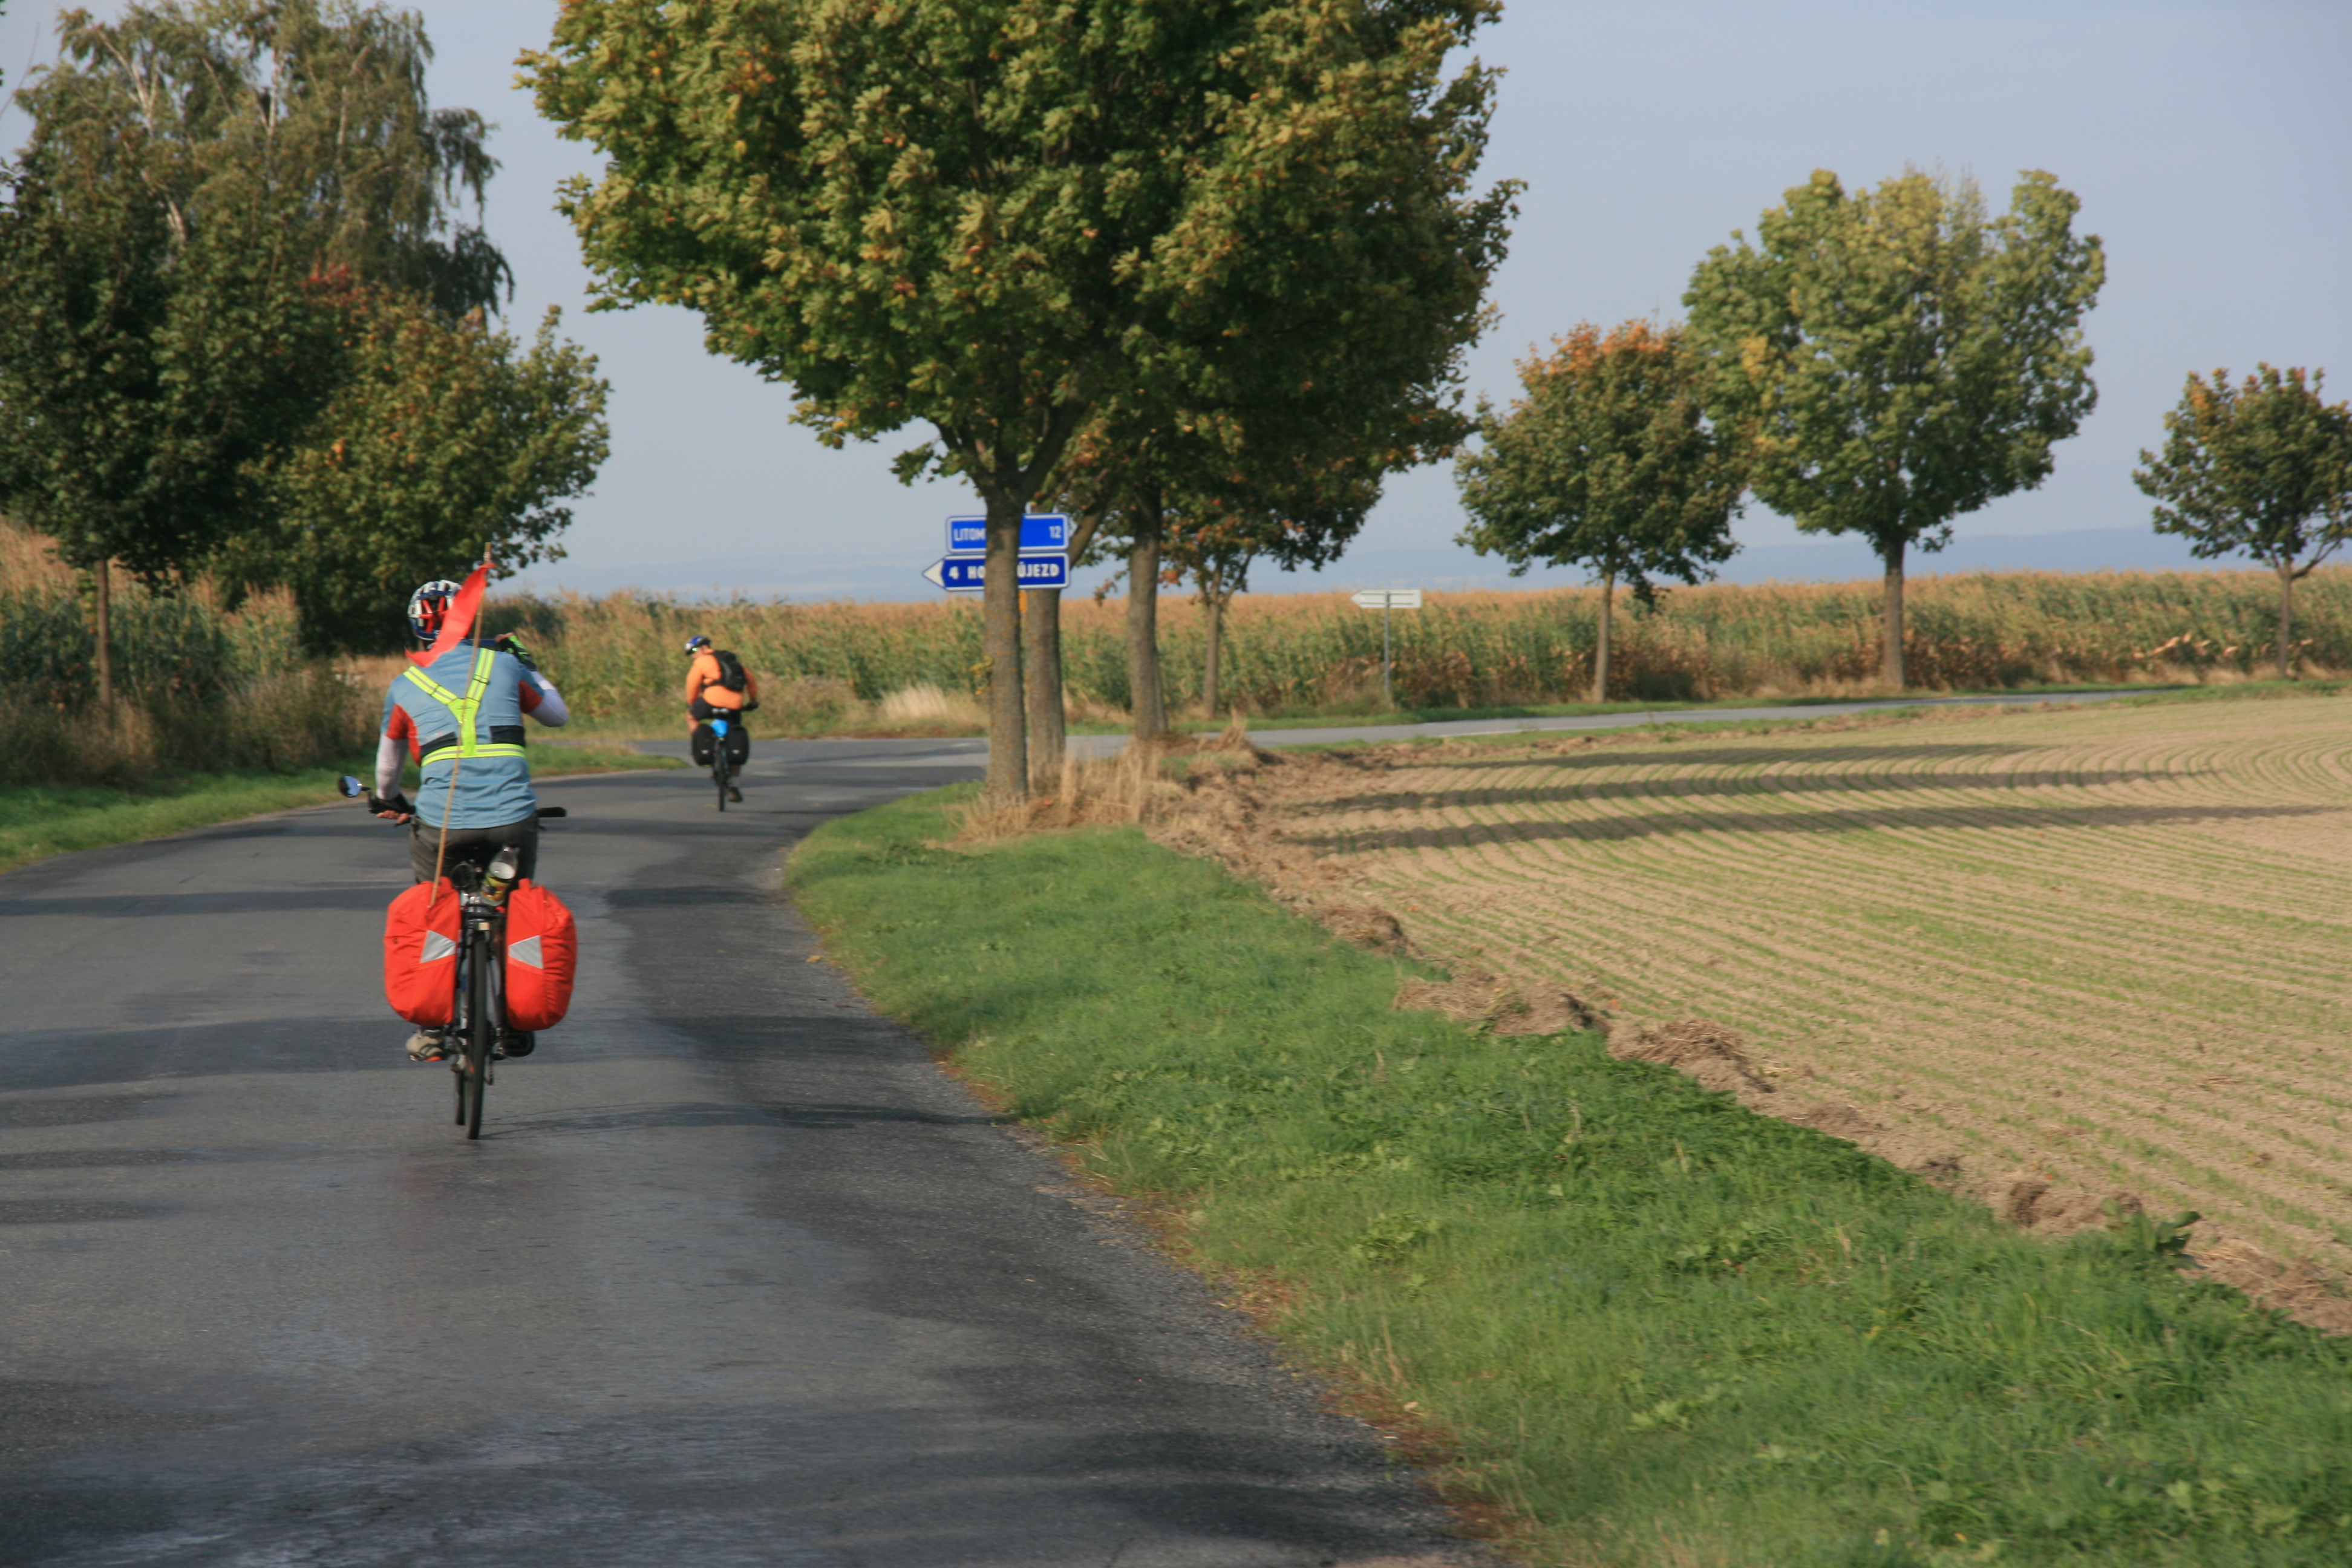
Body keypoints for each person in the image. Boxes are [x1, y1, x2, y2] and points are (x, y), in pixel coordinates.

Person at [373, 579, 571, 1062]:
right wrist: (526, 662)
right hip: (512, 822)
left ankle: (434, 1029)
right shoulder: (503, 664)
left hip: (443, 827)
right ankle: (512, 1022)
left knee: (435, 906)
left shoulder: (406, 684)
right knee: (508, 903)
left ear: (418, 630)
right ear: (469, 618)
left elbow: (385, 772)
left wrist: (389, 800)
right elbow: (557, 716)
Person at [682, 634, 758, 802]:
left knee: (691, 717)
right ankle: (734, 786)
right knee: (734, 739)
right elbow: (750, 680)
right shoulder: (731, 660)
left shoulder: (702, 661)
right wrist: (752, 701)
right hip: (735, 704)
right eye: (690, 653)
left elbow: (692, 683)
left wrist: (692, 703)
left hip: (711, 701)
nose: (693, 655)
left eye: (694, 650)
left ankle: (701, 742)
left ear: (703, 648)